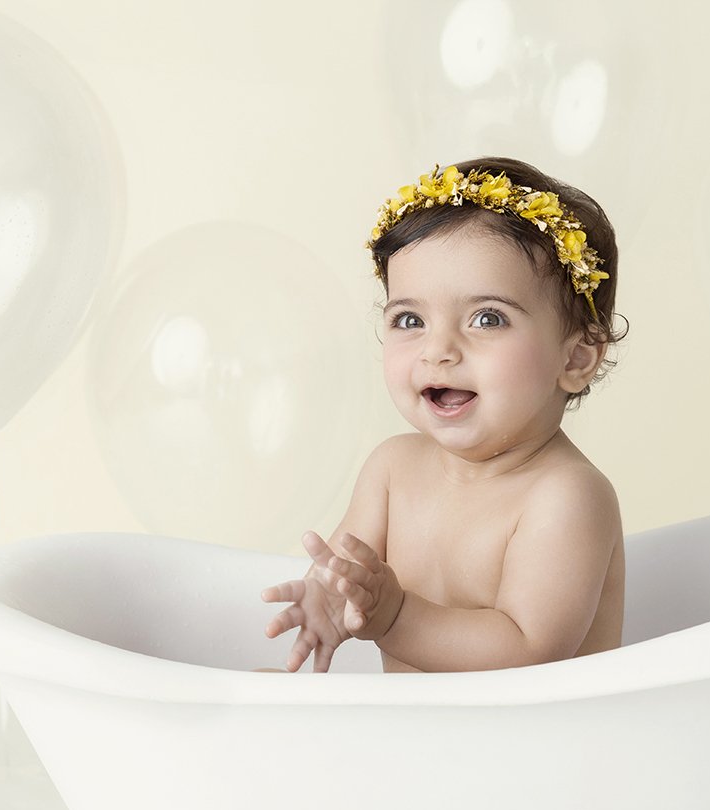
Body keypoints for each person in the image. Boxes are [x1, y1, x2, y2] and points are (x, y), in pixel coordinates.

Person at [258, 156, 630, 674]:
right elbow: (348, 577)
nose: (438, 350)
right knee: (260, 693)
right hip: (415, 726)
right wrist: (332, 598)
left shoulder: (566, 496)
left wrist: (395, 617)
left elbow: (529, 650)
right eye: (410, 319)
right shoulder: (391, 471)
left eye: (487, 318)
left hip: (534, 730)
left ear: (575, 358)